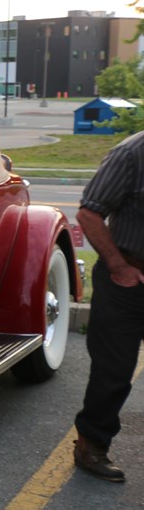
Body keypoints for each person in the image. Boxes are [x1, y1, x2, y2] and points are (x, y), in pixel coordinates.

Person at [72, 130, 144, 482]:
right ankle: (92, 446)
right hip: (127, 280)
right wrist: (119, 266)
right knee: (113, 372)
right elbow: (88, 214)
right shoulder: (131, 154)